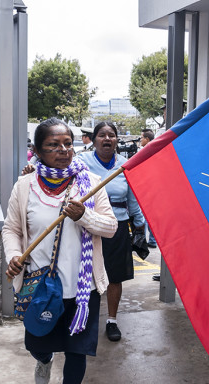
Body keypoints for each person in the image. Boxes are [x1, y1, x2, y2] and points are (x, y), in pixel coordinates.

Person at [2, 118, 117, 384]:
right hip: (39, 290)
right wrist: (14, 254)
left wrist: (86, 216)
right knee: (36, 344)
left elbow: (110, 227)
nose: (63, 150)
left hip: (82, 294)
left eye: (67, 143)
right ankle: (43, 358)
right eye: (54, 145)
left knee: (77, 353)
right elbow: (11, 229)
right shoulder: (25, 187)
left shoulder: (91, 183)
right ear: (37, 151)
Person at [77, 122, 146, 342]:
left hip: (117, 227)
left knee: (115, 276)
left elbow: (132, 198)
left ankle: (112, 320)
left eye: (112, 135)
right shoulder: (82, 162)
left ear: (117, 140)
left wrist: (139, 223)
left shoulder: (126, 165)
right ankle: (84, 317)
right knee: (87, 273)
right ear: (94, 139)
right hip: (88, 225)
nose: (107, 139)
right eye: (102, 135)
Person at [138, 129, 157, 248]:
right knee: (152, 215)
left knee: (144, 214)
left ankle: (145, 240)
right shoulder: (155, 149)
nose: (140, 140)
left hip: (147, 187)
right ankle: (152, 240)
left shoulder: (147, 151)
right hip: (153, 187)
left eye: (141, 138)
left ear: (147, 139)